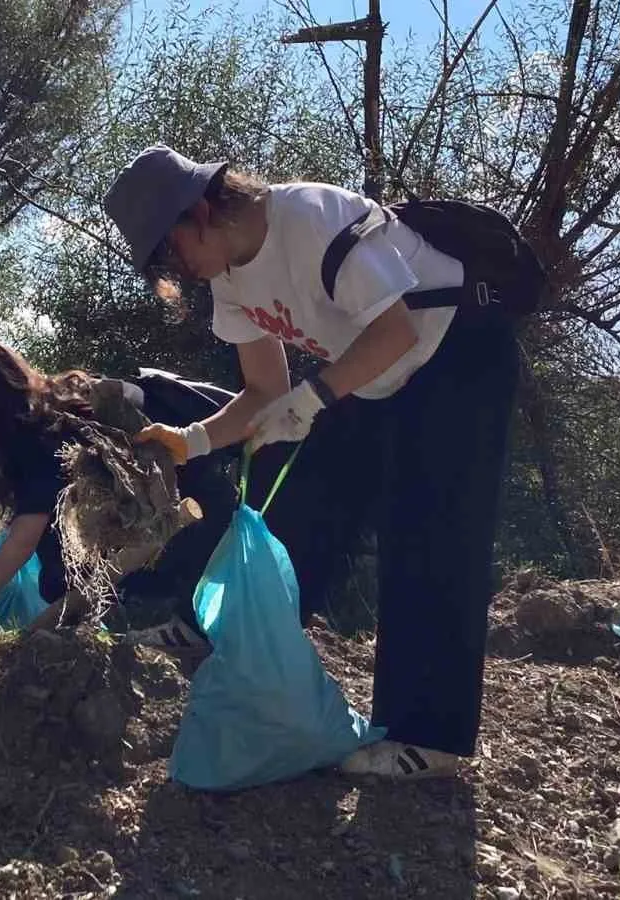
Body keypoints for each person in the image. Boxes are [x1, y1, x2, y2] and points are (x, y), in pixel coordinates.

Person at [102, 145, 525, 779]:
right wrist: (189, 440)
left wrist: (316, 396)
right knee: (305, 495)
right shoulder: (229, 281)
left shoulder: (312, 220)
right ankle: (215, 627)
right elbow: (263, 392)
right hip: (371, 373)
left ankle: (429, 737)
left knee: (431, 532)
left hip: (459, 354)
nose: (177, 269)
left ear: (202, 210)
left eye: (170, 250)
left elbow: (397, 333)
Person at [0, 337, 236, 637]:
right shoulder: (59, 405)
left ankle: (140, 619)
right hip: (187, 529)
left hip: (173, 544)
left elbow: (23, 539)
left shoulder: (44, 435)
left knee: (57, 571)